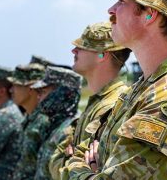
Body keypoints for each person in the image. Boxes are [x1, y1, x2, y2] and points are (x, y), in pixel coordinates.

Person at [66, 0, 167, 179]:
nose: (111, 10)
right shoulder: (146, 87)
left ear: (150, 14)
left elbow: (85, 159)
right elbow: (89, 147)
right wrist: (90, 167)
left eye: (122, 1)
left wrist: (76, 167)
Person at [49, 22, 131, 180]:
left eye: (82, 46)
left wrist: (66, 160)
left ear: (102, 55)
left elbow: (63, 169)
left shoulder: (115, 105)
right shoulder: (98, 102)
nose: (74, 50)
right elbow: (56, 162)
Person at [31, 66, 82, 180]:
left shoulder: (72, 129)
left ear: (62, 94)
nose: (39, 97)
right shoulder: (54, 124)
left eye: (43, 92)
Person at [8, 64, 50, 180]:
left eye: (16, 85)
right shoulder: (29, 118)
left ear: (31, 88)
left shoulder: (44, 122)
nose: (11, 90)